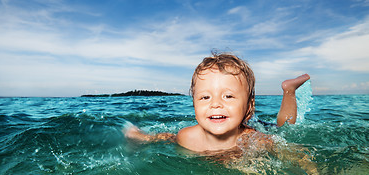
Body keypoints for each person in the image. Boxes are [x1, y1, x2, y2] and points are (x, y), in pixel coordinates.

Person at [125, 52, 310, 153]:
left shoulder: (258, 141)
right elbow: (168, 137)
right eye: (205, 97)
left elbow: (296, 154)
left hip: (259, 128)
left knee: (284, 129)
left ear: (249, 106)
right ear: (194, 104)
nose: (215, 104)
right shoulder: (186, 138)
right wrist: (146, 138)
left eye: (228, 96)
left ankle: (289, 90)